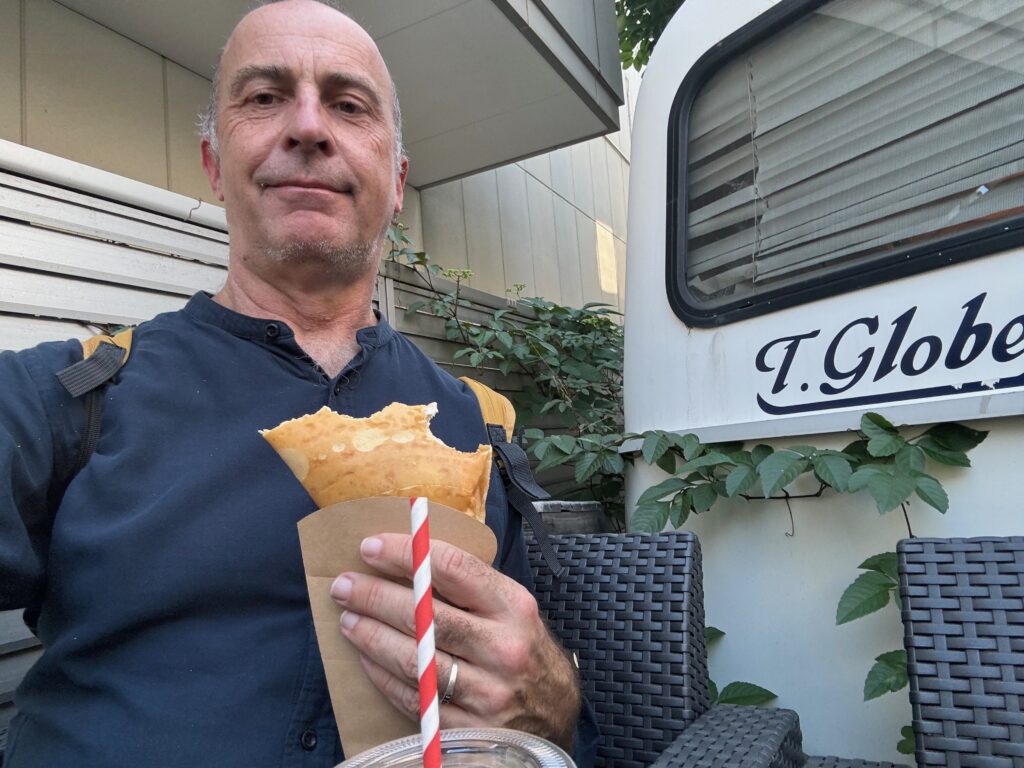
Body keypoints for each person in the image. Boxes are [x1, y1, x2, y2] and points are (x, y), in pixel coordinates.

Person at [0, 1, 597, 765]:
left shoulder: (476, 424)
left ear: (396, 180)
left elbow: (543, 687)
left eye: (349, 106)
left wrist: (551, 696)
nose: (308, 127)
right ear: (216, 164)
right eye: (264, 97)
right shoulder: (74, 395)